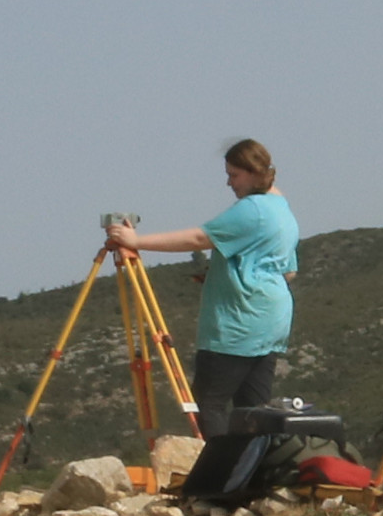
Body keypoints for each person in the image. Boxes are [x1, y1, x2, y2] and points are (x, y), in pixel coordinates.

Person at [107, 138, 297, 425]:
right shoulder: (282, 210)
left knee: (207, 406)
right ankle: (251, 468)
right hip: (270, 323)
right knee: (253, 412)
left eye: (234, 175)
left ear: (254, 172)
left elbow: (199, 238)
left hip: (237, 326)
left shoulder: (253, 209)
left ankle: (217, 469)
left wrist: (136, 241)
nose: (229, 183)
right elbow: (288, 271)